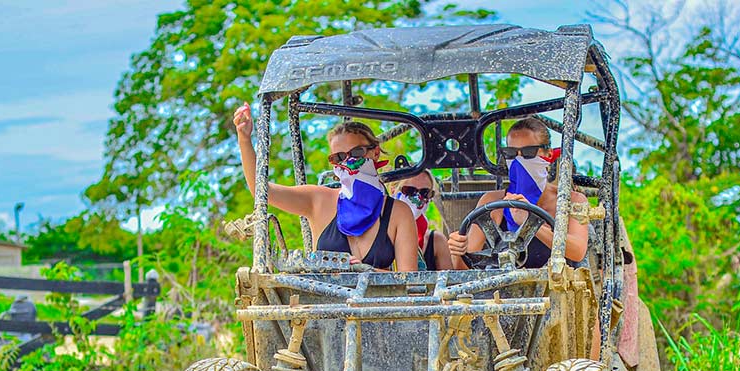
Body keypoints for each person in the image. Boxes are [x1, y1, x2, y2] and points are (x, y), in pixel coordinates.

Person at [233, 102, 418, 271]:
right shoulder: (318, 200)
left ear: (375, 152)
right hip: (323, 304)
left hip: (378, 306)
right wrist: (244, 139)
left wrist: (364, 270)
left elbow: (408, 280)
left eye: (356, 152)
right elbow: (264, 192)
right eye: (338, 158)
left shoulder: (398, 212)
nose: (348, 161)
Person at [446, 118, 588, 270]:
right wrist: (457, 251)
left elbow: (577, 251)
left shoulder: (571, 200)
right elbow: (466, 268)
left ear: (548, 153)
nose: (519, 160)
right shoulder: (493, 202)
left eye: (528, 153)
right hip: (504, 290)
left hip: (557, 288)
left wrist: (530, 223)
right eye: (511, 153)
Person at [390, 171, 453, 271]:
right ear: (393, 191)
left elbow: (452, 283)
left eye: (425, 193)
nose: (418, 197)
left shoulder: (437, 241)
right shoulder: (378, 234)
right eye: (409, 191)